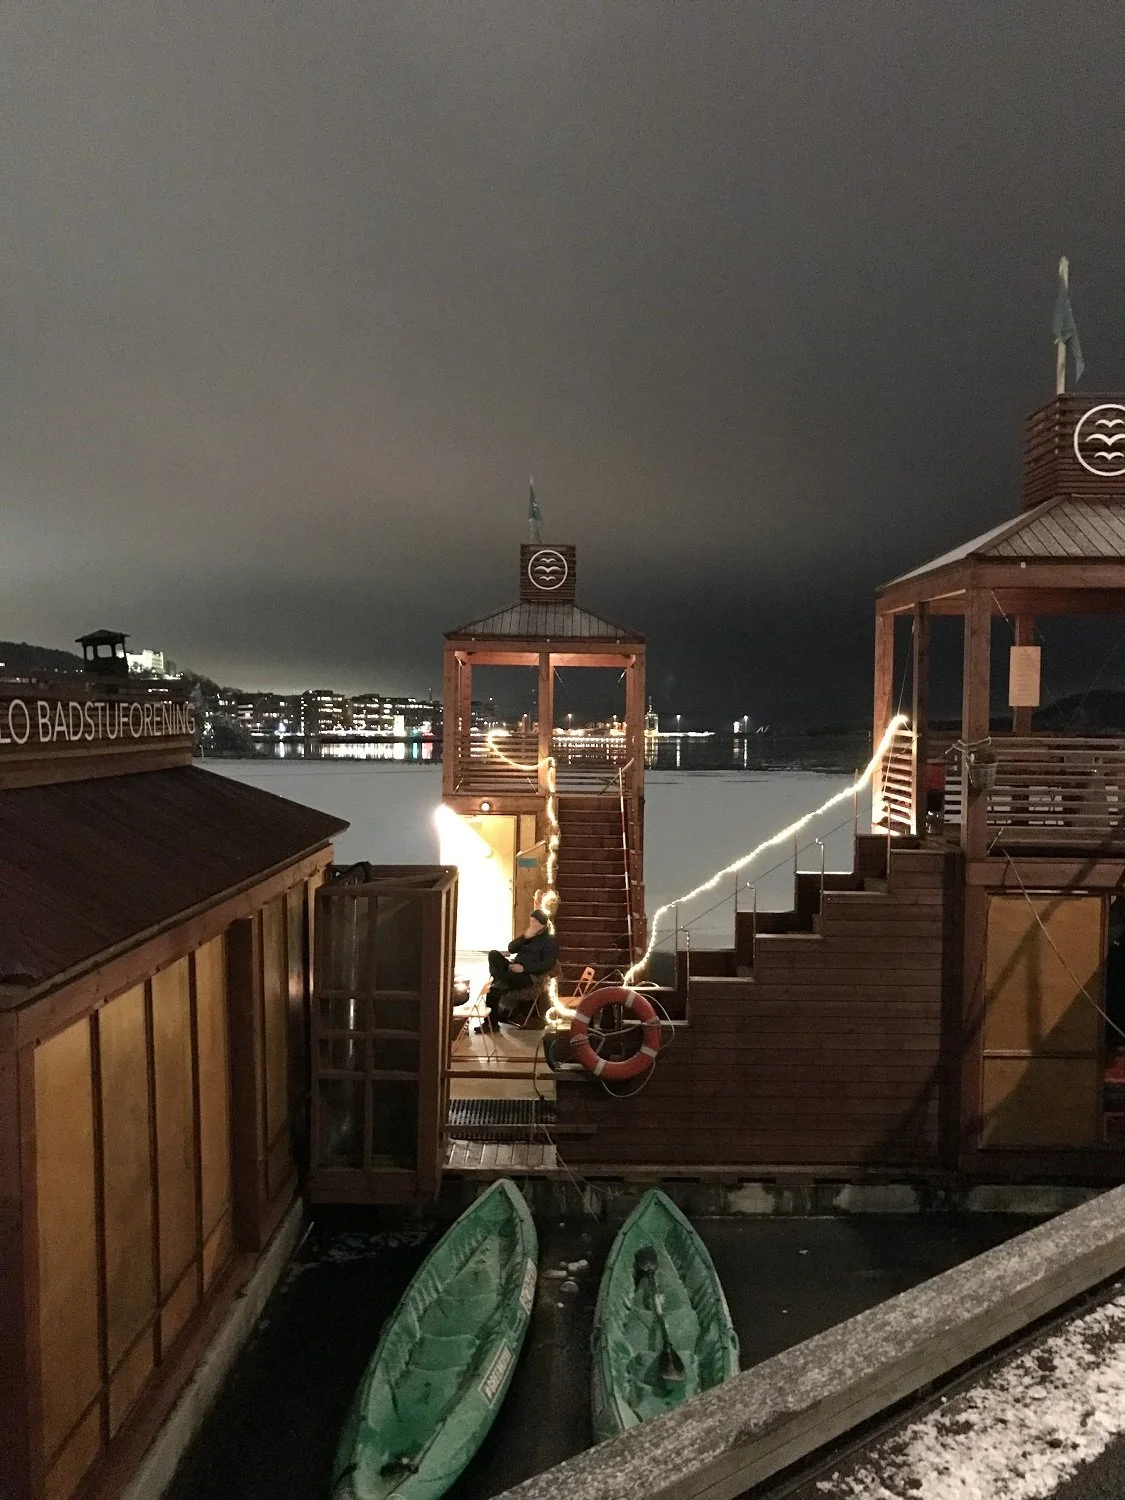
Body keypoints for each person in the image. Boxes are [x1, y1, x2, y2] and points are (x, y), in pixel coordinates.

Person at [474, 909, 558, 1033]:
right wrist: (524, 937)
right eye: (531, 921)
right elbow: (511, 948)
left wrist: (524, 968)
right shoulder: (529, 936)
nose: (532, 924)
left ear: (542, 924)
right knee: (493, 954)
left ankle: (491, 1024)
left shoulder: (550, 941)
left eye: (535, 922)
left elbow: (547, 964)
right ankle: (501, 976)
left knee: (494, 990)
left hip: (528, 976)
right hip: (513, 969)